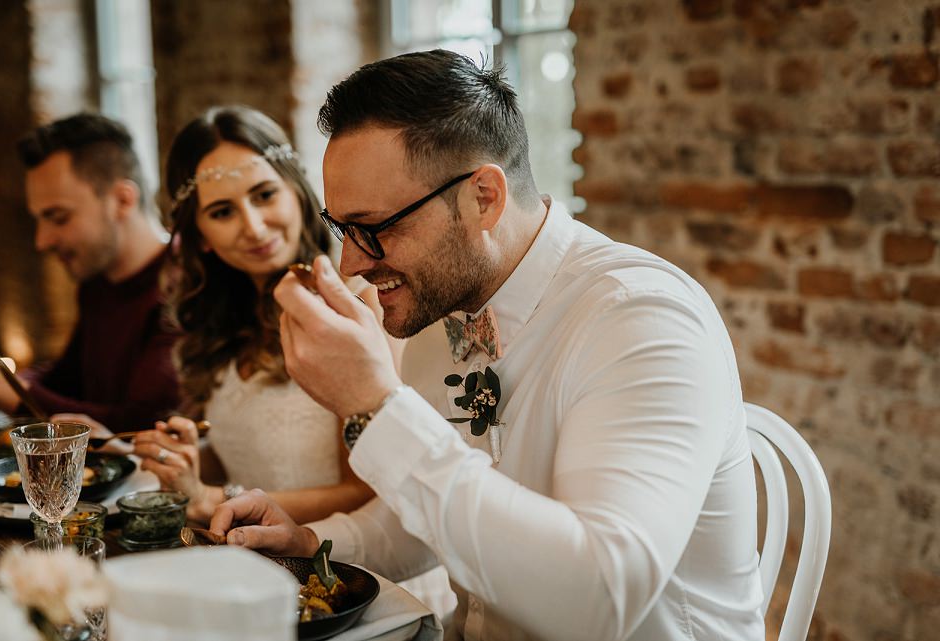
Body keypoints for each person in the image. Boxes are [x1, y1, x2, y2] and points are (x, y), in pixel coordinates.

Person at [211, 50, 765, 641]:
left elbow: (600, 599)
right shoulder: (438, 316)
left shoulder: (641, 319)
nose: (351, 261)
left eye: (376, 228)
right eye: (344, 230)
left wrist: (376, 407)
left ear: (484, 197)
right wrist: (314, 543)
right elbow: (434, 520)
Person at [130, 105, 380, 528]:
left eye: (265, 195)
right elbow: (247, 463)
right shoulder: (224, 322)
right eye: (223, 212)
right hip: (254, 566)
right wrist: (187, 462)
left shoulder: (357, 306)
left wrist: (212, 499)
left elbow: (367, 493)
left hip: (353, 573)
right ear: (201, 237)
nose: (255, 227)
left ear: (297, 192)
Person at [0, 114, 179, 432]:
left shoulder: (183, 282)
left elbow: (142, 423)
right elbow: (66, 380)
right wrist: (8, 377)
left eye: (58, 218)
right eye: (39, 220)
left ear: (122, 200)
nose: (41, 241)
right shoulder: (98, 282)